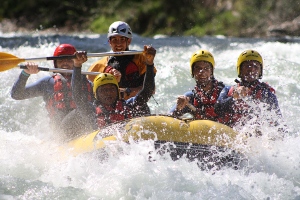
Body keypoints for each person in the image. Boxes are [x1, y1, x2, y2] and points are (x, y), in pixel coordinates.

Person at [10, 44, 94, 139]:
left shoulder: (87, 83)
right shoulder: (47, 83)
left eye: (69, 59)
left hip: (85, 129)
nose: (65, 63)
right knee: (83, 110)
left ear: (76, 61)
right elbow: (16, 95)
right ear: (55, 63)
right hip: (62, 132)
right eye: (61, 60)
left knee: (91, 108)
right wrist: (25, 73)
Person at [71, 45, 156, 132]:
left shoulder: (128, 106)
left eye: (112, 89)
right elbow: (77, 95)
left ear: (117, 91)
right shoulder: (90, 110)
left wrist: (149, 64)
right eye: (104, 90)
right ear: (96, 93)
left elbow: (147, 92)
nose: (108, 93)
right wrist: (77, 65)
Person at [87, 21, 157, 115]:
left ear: (129, 41)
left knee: (142, 105)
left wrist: (127, 91)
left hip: (135, 104)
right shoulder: (100, 65)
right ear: (109, 42)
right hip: (111, 109)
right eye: (114, 40)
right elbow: (92, 94)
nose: (118, 43)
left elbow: (151, 90)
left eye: (122, 39)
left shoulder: (141, 59)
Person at [214, 50, 284, 135]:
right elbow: (217, 109)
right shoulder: (229, 90)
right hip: (232, 136)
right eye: (247, 66)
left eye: (256, 67)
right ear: (240, 69)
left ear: (260, 71)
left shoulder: (266, 94)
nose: (251, 69)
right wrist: (234, 98)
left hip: (255, 139)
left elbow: (279, 124)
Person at [169, 50, 225, 121]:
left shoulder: (224, 93)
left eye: (206, 68)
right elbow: (170, 118)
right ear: (192, 72)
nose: (202, 72)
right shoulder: (190, 98)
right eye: (198, 68)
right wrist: (178, 108)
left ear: (211, 71)